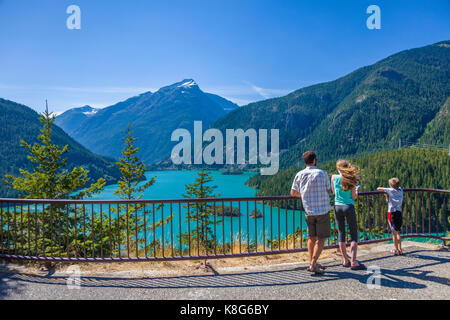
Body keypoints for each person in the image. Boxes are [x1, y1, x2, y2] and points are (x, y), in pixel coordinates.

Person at [291, 151, 332, 275]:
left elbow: (293, 193)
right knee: (321, 238)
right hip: (323, 210)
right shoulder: (322, 173)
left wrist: (303, 196)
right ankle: (313, 263)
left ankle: (312, 262)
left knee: (311, 238)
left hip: (309, 210)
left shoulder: (299, 174)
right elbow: (329, 190)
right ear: (314, 160)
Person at [331, 160, 366, 270]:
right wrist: (356, 190)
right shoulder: (351, 180)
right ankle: (354, 262)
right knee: (353, 235)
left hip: (337, 207)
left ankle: (345, 260)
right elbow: (354, 197)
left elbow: (334, 193)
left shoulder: (334, 178)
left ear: (338, 168)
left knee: (341, 233)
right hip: (349, 206)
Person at [377, 178, 404, 255]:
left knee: (394, 233)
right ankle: (400, 249)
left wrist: (386, 194)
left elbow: (378, 188)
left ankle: (396, 250)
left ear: (391, 185)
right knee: (398, 232)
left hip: (392, 213)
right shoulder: (401, 190)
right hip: (399, 212)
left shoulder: (389, 190)